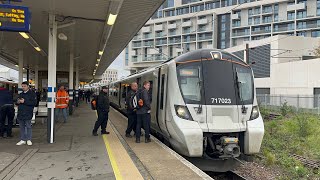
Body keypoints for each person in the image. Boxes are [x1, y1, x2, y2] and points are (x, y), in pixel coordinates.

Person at [16, 81, 37, 146]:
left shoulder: (32, 94)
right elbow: (17, 102)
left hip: (28, 112)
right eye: (22, 86)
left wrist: (24, 101)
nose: (23, 87)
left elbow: (34, 103)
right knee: (21, 127)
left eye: (24, 86)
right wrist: (18, 102)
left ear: (28, 86)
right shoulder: (21, 94)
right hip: (21, 112)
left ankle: (29, 139)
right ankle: (23, 139)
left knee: (28, 126)